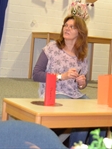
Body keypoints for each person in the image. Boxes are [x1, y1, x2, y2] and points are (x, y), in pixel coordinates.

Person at [32, 15, 89, 148]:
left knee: (97, 114)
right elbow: (36, 74)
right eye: (65, 25)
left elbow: (82, 84)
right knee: (80, 114)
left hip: (74, 94)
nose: (67, 28)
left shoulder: (82, 55)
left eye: (71, 27)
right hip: (54, 92)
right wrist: (61, 76)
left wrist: (82, 82)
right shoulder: (52, 48)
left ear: (79, 32)